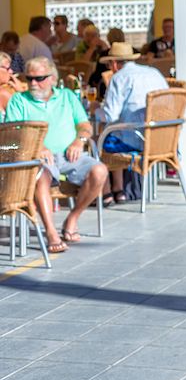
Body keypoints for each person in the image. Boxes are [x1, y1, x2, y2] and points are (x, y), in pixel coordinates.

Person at [3, 57, 108, 251]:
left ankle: (72, 218)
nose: (33, 83)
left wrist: (80, 140)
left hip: (70, 155)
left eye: (39, 78)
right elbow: (13, 133)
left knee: (100, 171)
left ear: (52, 78)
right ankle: (51, 233)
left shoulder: (67, 96)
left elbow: (84, 125)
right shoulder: (19, 99)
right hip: (37, 157)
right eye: (29, 78)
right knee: (39, 176)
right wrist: (37, 146)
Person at [96, 42, 167, 204]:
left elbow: (109, 115)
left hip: (135, 140)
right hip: (161, 138)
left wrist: (94, 110)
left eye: (109, 64)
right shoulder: (154, 73)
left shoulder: (119, 78)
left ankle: (106, 193)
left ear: (114, 63)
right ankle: (119, 190)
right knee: (112, 133)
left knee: (97, 140)